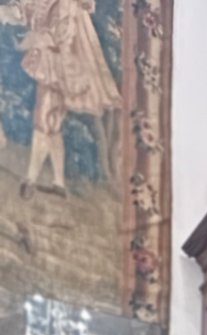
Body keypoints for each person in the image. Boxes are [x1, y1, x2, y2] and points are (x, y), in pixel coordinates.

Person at [0, 0, 120, 198]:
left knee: (43, 117)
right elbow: (25, 10)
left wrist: (29, 41)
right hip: (51, 62)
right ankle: (58, 183)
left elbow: (61, 35)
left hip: (66, 66)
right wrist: (6, 13)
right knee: (52, 122)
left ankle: (30, 180)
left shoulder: (67, 4)